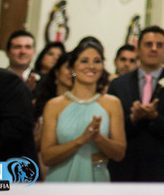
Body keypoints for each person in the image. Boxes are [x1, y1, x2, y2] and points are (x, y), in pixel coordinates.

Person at [40, 37, 125, 181]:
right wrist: (81, 140)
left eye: (97, 61)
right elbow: (47, 156)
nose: (91, 66)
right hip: (60, 179)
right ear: (72, 69)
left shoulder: (112, 103)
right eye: (84, 61)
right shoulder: (54, 105)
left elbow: (119, 153)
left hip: (96, 175)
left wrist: (98, 138)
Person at [106, 25, 164, 181]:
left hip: (163, 169)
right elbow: (110, 131)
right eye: (148, 44)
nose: (154, 49)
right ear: (138, 49)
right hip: (125, 168)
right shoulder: (119, 85)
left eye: (159, 45)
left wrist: (155, 118)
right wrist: (133, 119)